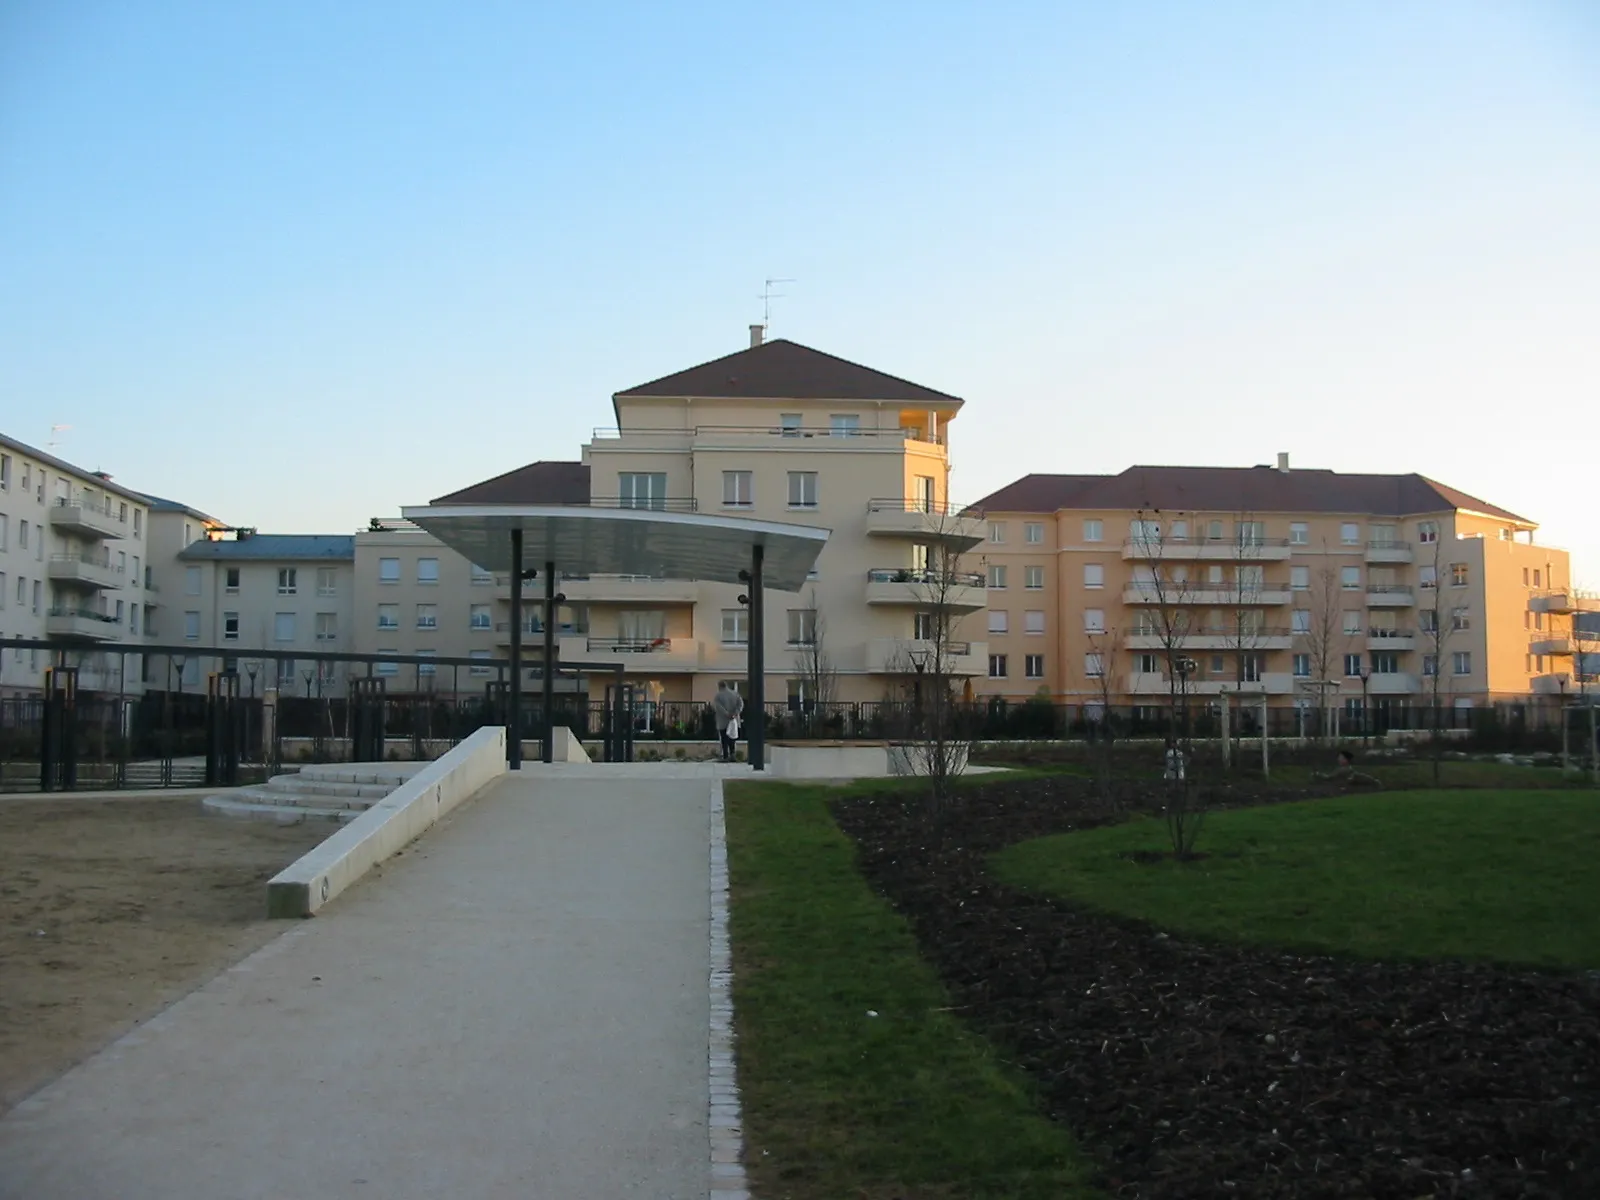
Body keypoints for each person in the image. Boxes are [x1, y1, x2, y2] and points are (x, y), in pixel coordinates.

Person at [712, 683, 745, 763]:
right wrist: (735, 713)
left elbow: (718, 706)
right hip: (733, 720)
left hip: (723, 720)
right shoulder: (735, 694)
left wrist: (726, 713)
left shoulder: (718, 695)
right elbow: (740, 704)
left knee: (724, 738)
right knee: (732, 738)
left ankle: (725, 756)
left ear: (720, 686)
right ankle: (733, 755)